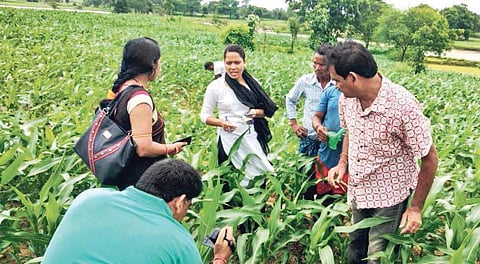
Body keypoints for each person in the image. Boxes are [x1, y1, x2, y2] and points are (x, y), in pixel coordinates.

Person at [326, 41, 438, 264]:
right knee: (356, 244)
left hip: (390, 195)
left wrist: (415, 208)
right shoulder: (346, 100)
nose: (335, 86)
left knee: (377, 255)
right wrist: (342, 162)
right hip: (359, 188)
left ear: (353, 77)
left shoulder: (402, 106)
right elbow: (350, 131)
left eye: (337, 81)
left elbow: (429, 157)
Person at [42, 159, 235, 264]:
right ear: (180, 202)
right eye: (188, 206)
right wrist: (220, 257)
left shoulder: (87, 198)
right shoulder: (179, 243)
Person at [104, 37, 186, 190]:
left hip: (126, 175)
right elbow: (144, 148)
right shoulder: (139, 99)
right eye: (159, 61)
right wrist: (171, 148)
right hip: (142, 178)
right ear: (152, 64)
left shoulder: (122, 88)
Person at [200, 44, 278, 187]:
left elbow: (265, 110)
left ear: (244, 62)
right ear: (224, 64)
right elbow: (204, 116)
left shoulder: (253, 84)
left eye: (237, 62)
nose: (233, 67)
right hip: (228, 139)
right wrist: (221, 123)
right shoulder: (216, 87)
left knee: (257, 174)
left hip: (250, 137)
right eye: (229, 63)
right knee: (229, 178)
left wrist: (255, 113)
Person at [285, 44, 336, 157]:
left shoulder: (338, 84)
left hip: (331, 140)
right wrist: (294, 124)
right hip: (309, 136)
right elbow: (290, 99)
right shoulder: (305, 81)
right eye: (315, 63)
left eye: (322, 64)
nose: (317, 67)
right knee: (305, 172)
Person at [311, 85, 348, 198]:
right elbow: (316, 116)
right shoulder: (331, 92)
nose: (337, 85)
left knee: (343, 198)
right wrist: (318, 128)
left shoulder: (359, 95)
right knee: (324, 195)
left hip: (351, 161)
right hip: (327, 155)